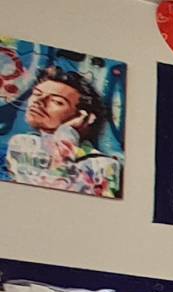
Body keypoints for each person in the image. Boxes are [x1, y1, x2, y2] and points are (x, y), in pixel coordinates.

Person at [4, 65, 122, 197]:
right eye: (37, 94)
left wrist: (67, 134)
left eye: (56, 101)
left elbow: (57, 193)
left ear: (84, 117)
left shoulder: (105, 165)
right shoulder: (23, 144)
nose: (39, 101)